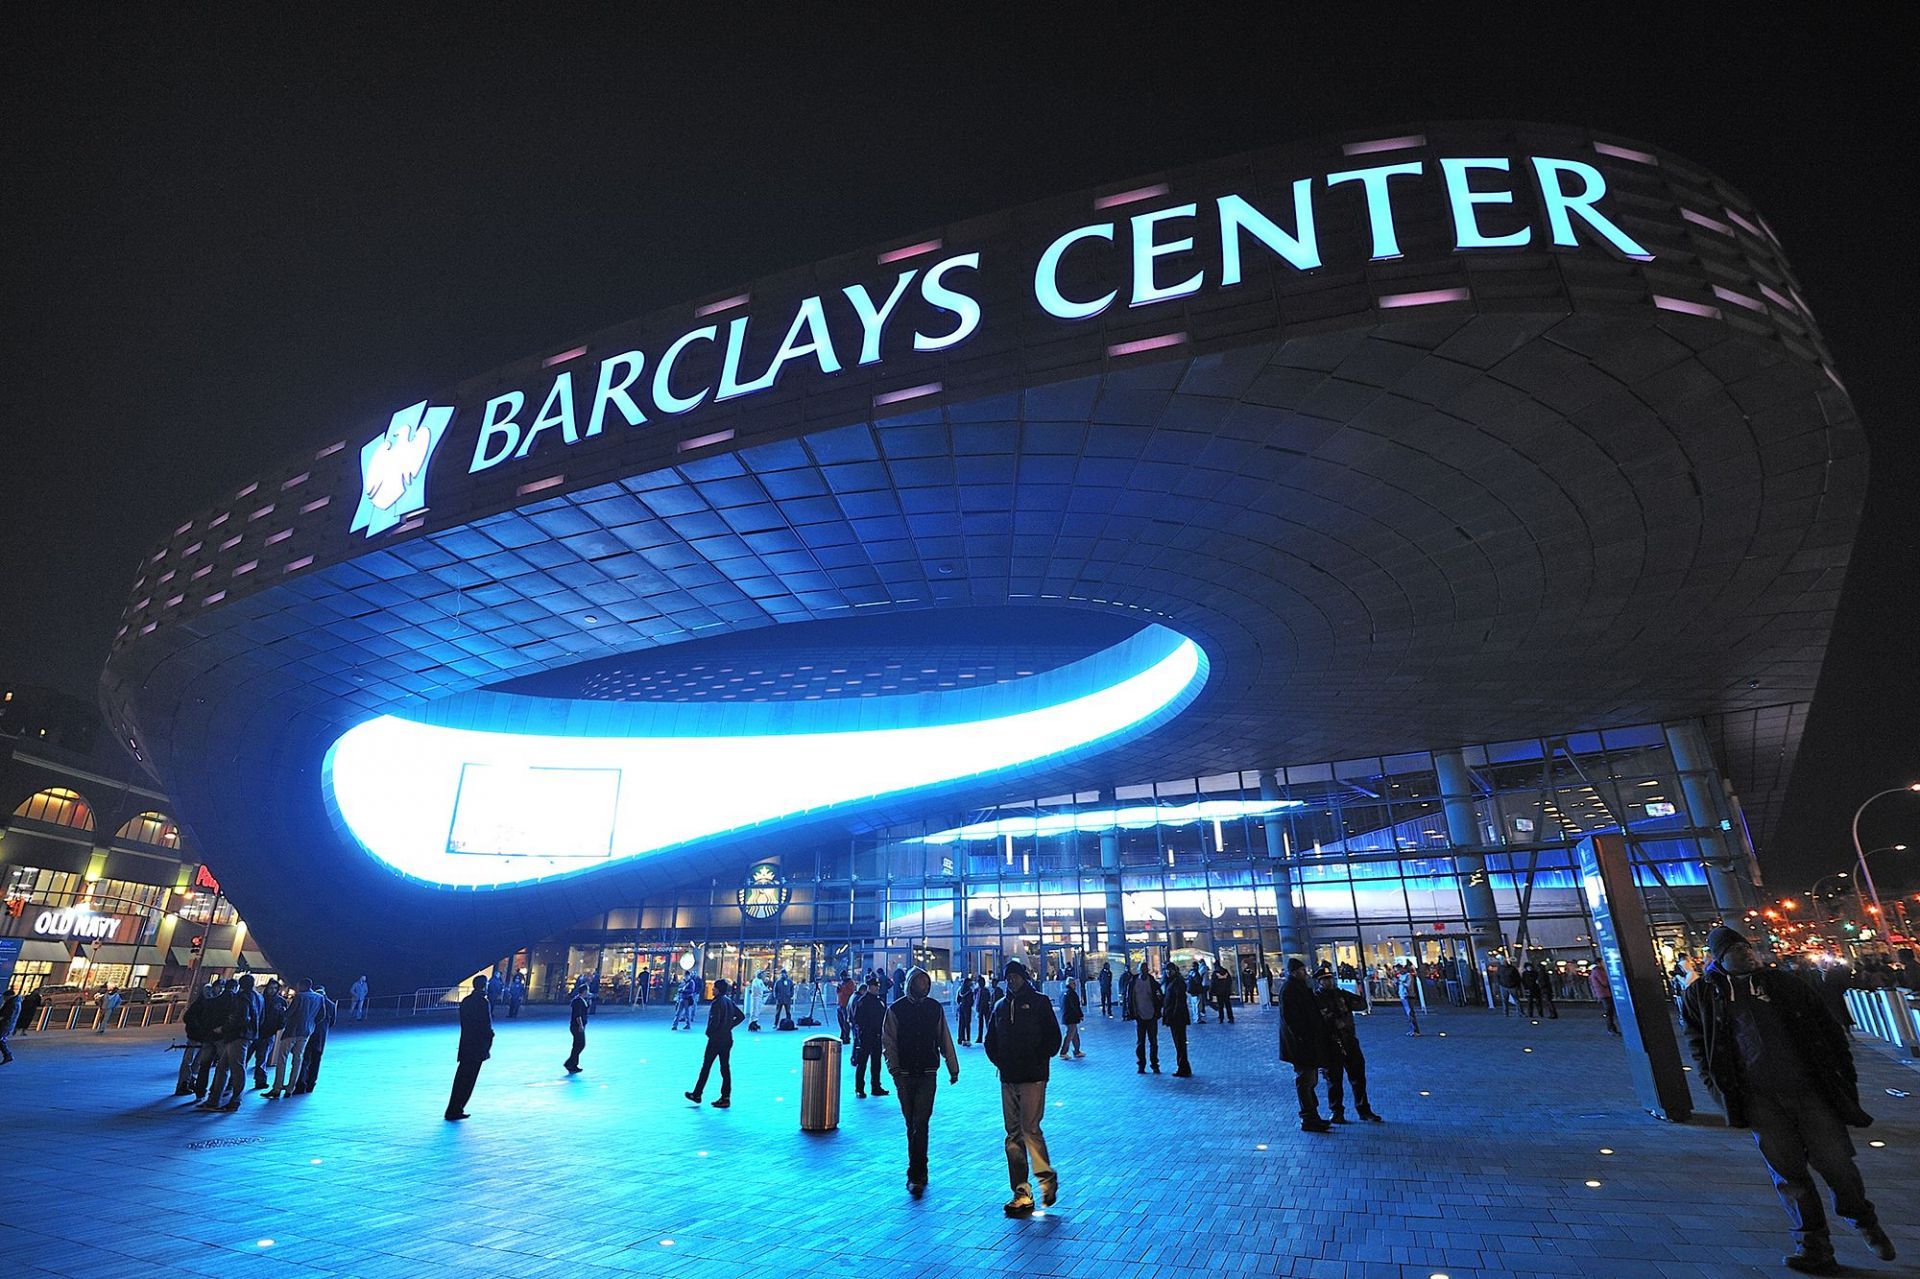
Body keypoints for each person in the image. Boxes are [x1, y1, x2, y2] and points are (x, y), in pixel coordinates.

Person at [1683, 926, 1895, 1273]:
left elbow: (1827, 1029)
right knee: (1788, 1174)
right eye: (1735, 948)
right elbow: (1699, 1044)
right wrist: (1717, 1089)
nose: (1746, 952)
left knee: (1837, 1163)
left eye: (1746, 946)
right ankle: (1814, 1247)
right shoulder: (1702, 996)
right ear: (1718, 958)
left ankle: (1863, 1220)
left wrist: (1844, 1076)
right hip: (1758, 1099)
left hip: (1809, 1089)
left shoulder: (1784, 984)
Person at [983, 959, 1061, 1216]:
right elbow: (990, 1040)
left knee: (1029, 1131)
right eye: (1009, 977)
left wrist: (1039, 1057)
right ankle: (1021, 1192)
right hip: (1009, 1077)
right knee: (1013, 1135)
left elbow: (1053, 1038)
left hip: (1033, 1076)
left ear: (1024, 977)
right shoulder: (1000, 1007)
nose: (1013, 981)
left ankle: (1046, 1181)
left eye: (1016, 976)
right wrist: (1001, 1061)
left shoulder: (1039, 1002)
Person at [883, 966, 961, 1194]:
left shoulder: (934, 1008)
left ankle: (918, 1172)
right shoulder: (896, 1009)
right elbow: (889, 1041)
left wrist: (952, 1067)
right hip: (905, 1073)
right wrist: (894, 1069)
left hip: (927, 1071)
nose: (924, 986)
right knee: (912, 1124)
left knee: (921, 1123)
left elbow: (943, 1038)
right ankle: (916, 1170)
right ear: (910, 984)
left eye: (927, 983)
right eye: (920, 982)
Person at [1314, 965, 1382, 1123]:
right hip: (1331, 1043)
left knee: (1358, 1077)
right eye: (1325, 980)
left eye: (1330, 979)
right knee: (1334, 1080)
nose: (1329, 982)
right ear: (1319, 982)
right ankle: (1337, 1111)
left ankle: (1363, 1109)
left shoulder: (1341, 994)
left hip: (1349, 1041)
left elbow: (1361, 1004)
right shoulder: (1316, 999)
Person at [1279, 959, 1332, 1132]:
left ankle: (1312, 1115)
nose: (1306, 973)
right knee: (1306, 1079)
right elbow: (1291, 1019)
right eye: (1303, 970)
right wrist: (1303, 1036)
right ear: (1295, 972)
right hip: (1301, 1045)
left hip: (1306, 1042)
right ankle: (1309, 1117)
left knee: (1310, 1080)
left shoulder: (1297, 988)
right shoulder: (1290, 989)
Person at [201, 974, 260, 1111]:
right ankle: (215, 1099)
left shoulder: (242, 998)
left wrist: (224, 1028)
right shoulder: (258, 997)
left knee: (236, 1068)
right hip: (246, 1035)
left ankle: (234, 1100)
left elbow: (241, 1018)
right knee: (223, 1067)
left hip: (238, 1036)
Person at [684, 977, 745, 1107]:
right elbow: (741, 1016)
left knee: (706, 1066)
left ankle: (697, 1093)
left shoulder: (717, 1002)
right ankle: (725, 1097)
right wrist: (729, 1025)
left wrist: (710, 1032)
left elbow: (714, 1021)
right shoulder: (729, 1001)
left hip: (716, 1039)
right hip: (727, 1038)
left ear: (718, 990)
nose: (712, 989)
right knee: (725, 1068)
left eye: (714, 988)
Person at [266, 979, 324, 1098]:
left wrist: (282, 1011)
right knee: (298, 1059)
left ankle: (277, 1088)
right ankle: (290, 1088)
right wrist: (311, 1024)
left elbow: (289, 1014)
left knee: (282, 1058)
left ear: (302, 985)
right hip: (306, 1032)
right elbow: (321, 1015)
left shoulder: (300, 997)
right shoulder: (319, 997)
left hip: (292, 1031)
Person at [446, 975, 493, 1120]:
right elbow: (486, 1025)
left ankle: (453, 1107)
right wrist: (489, 1039)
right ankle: (457, 1109)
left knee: (460, 1078)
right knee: (468, 1079)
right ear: (484, 985)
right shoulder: (483, 1002)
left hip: (466, 1044)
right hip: (477, 1046)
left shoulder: (466, 1001)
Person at [174, 980, 218, 1094]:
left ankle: (190, 1081)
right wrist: (198, 1028)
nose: (209, 994)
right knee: (188, 1061)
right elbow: (188, 1017)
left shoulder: (210, 1004)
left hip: (202, 1037)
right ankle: (183, 1084)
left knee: (197, 1062)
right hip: (195, 1036)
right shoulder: (199, 1004)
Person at [850, 974, 890, 1098]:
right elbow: (857, 1019)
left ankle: (876, 1086)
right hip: (866, 1036)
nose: (876, 989)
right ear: (869, 987)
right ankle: (859, 1088)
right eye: (874, 986)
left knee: (876, 1062)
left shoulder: (879, 1001)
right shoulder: (862, 1001)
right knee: (862, 1062)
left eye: (877, 986)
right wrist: (864, 1031)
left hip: (877, 1035)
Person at [297, 983, 337, 1093]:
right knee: (316, 1060)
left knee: (305, 1060)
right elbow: (332, 1022)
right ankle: (311, 1084)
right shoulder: (332, 1005)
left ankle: (301, 1084)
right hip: (321, 1037)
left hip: (308, 1033)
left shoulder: (312, 1002)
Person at [251, 980, 285, 1089]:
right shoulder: (260, 998)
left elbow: (282, 1017)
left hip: (267, 1034)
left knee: (262, 1059)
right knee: (246, 1058)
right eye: (271, 988)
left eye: (275, 988)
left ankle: (260, 1081)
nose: (273, 990)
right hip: (254, 1033)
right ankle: (232, 1082)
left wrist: (277, 1027)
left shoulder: (279, 1001)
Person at [1131, 960, 1163, 1073]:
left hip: (1151, 1015)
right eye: (1142, 969)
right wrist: (1132, 1012)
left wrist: (1158, 1010)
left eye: (1145, 969)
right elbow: (1130, 997)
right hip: (1140, 1016)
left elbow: (1159, 996)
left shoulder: (1152, 982)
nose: (1144, 971)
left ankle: (1154, 1064)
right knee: (1141, 1042)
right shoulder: (1134, 982)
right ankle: (1141, 1064)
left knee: (1153, 1041)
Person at [1159, 966, 1192, 1076]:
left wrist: (1173, 1015)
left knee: (1180, 1042)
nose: (1168, 972)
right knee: (1179, 1042)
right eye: (1166, 971)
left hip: (1177, 1018)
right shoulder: (1173, 981)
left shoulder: (1177, 982)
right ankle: (1183, 1066)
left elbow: (1179, 1000)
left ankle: (1183, 1067)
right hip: (1175, 1017)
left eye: (1170, 970)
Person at [564, 977, 591, 1073]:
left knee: (577, 1045)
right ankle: (571, 1063)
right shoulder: (578, 1001)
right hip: (577, 1026)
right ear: (584, 991)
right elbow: (578, 1015)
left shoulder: (581, 1000)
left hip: (578, 1025)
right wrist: (580, 1025)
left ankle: (572, 1063)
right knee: (580, 1044)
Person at [1587, 960, 1620, 1034]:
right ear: (1599, 963)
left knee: (1609, 1011)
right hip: (1604, 993)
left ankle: (1611, 1028)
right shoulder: (1598, 972)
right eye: (1602, 962)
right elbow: (1604, 982)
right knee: (1609, 1011)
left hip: (1602, 993)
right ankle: (1611, 1029)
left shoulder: (1595, 971)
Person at [1057, 976, 1085, 1060]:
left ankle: (1077, 1051)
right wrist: (1080, 1015)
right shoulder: (1072, 993)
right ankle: (1063, 1052)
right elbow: (1075, 1006)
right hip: (1071, 1017)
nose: (1075, 986)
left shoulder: (1063, 992)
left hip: (1065, 1016)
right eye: (1074, 984)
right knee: (1070, 1034)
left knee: (1074, 1034)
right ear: (1071, 984)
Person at [1395, 964, 1422, 1036]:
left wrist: (1401, 982)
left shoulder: (1408, 975)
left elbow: (1409, 986)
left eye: (1398, 970)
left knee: (1410, 1013)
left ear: (1401, 968)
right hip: (1403, 995)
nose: (1397, 972)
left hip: (1408, 995)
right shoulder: (1400, 976)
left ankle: (1415, 1030)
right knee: (1408, 1014)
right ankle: (1412, 1029)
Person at [836, 970, 857, 1042]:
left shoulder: (850, 983)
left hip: (846, 1004)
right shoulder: (842, 983)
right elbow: (839, 992)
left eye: (843, 976)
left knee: (846, 1022)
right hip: (840, 1004)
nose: (842, 978)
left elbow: (850, 992)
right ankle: (843, 1034)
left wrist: (842, 988)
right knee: (840, 1021)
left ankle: (846, 1036)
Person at [955, 975, 976, 1048]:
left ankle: (961, 1039)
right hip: (967, 1009)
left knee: (961, 1024)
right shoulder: (969, 990)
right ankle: (968, 1039)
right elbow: (971, 1001)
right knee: (967, 1024)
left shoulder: (960, 989)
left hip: (961, 1008)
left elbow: (957, 999)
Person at [0, 986, 19, 1065]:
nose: (3, 999)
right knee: (1, 1040)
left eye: (4, 997)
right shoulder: (15, 1002)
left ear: (8, 997)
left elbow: (7, 1015)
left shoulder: (12, 1004)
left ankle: (8, 1055)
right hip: (7, 1025)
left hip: (5, 1025)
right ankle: (8, 1055)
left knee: (1, 1040)